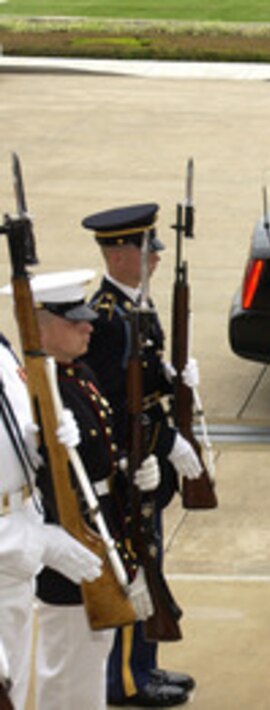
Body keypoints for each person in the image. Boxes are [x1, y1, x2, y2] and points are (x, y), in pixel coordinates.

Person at [78, 204, 202, 707]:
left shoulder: (139, 307)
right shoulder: (106, 320)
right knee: (136, 567)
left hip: (147, 464)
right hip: (132, 466)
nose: (154, 258)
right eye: (145, 249)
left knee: (151, 558)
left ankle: (142, 666)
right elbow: (111, 407)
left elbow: (143, 386)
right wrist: (165, 442)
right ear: (118, 253)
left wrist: (174, 383)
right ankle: (126, 682)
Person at [23, 270, 157, 710]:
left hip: (100, 528)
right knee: (67, 664)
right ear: (41, 327)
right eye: (74, 321)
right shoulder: (37, 393)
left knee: (93, 655)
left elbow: (105, 451)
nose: (89, 326)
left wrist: (136, 474)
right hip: (68, 539)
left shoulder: (77, 373)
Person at [0, 319, 102, 709]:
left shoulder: (4, 351)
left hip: (15, 554)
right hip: (11, 546)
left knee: (17, 682)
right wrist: (36, 541)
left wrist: (38, 443)